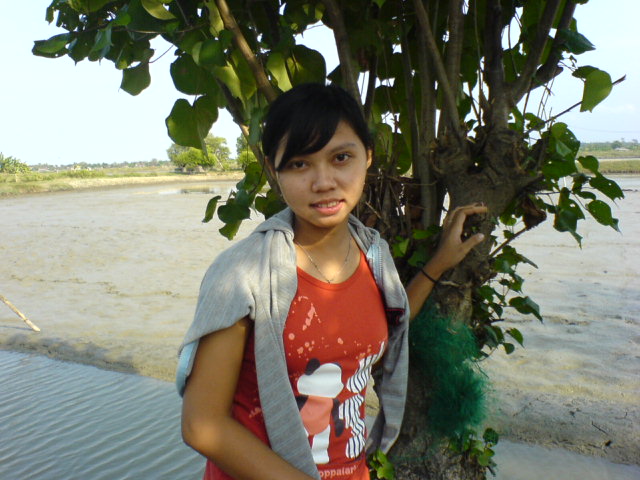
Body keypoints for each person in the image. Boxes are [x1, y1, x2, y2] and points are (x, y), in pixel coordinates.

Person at [177, 83, 486, 480]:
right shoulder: (244, 274)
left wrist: (438, 264)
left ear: (367, 156)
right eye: (299, 164)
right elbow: (202, 425)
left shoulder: (373, 255)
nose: (323, 182)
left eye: (341, 158)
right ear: (273, 170)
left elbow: (386, 327)